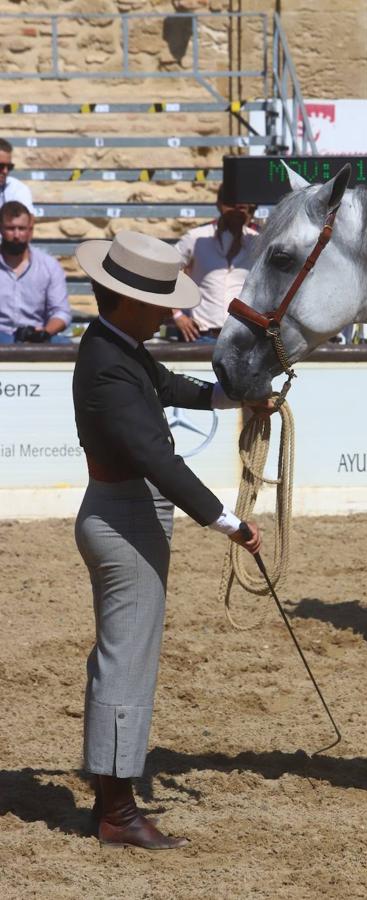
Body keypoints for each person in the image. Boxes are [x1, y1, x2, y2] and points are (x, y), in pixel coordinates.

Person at [73, 229, 272, 850]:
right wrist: (228, 522)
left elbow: (167, 387)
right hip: (125, 515)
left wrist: (230, 396)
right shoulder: (111, 362)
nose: (168, 309)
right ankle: (116, 812)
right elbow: (158, 459)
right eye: (160, 299)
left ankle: (114, 799)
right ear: (131, 301)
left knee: (124, 657)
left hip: (124, 512)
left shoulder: (114, 344)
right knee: (125, 662)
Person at [171, 185, 258, 342]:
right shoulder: (196, 238)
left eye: (242, 207)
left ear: (249, 210)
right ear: (219, 204)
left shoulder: (257, 241)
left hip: (241, 339)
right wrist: (177, 314)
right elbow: (164, 270)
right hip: (201, 336)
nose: (237, 211)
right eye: (231, 205)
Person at [0, 200, 72, 344]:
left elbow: (61, 312)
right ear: (1, 229)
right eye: (10, 228)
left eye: (21, 228)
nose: (16, 235)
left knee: (65, 345)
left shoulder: (49, 266)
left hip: (36, 334)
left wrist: (45, 333)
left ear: (30, 230)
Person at [0, 138, 34, 212]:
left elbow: (27, 220)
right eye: (1, 166)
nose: (5, 171)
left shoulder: (17, 188)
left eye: (9, 167)